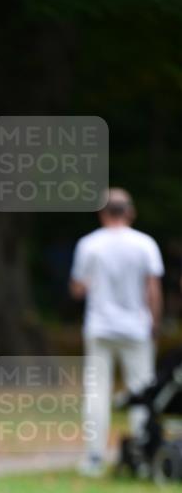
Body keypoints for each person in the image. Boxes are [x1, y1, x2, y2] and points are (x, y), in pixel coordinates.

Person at [70, 188, 164, 476]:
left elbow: (78, 288)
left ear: (102, 213)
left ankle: (95, 457)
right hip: (136, 328)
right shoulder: (145, 244)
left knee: (97, 392)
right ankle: (144, 454)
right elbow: (153, 289)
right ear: (130, 212)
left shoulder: (89, 244)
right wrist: (155, 323)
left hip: (99, 327)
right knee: (143, 391)